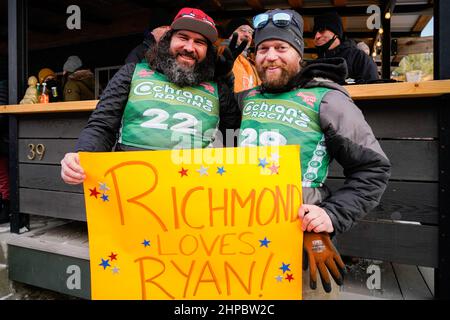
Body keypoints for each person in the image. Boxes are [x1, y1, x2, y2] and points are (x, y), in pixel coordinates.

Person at [234, 9, 391, 298]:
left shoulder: (327, 98)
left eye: (281, 48)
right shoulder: (247, 98)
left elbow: (372, 169)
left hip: (301, 241)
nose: (270, 56)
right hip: (242, 238)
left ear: (298, 54)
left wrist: (332, 213)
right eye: (263, 49)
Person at [61, 7, 243, 185]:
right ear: (167, 40)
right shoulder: (132, 72)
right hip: (132, 185)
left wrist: (224, 76)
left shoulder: (218, 88)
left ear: (208, 52)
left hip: (193, 190)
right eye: (183, 37)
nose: (189, 47)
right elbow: (103, 125)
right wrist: (81, 155)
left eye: (199, 42)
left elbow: (232, 136)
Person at [313, 12, 379, 83]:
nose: (316, 36)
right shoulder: (314, 65)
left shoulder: (359, 58)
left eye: (322, 30)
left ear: (336, 32)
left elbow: (374, 89)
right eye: (314, 33)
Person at [220, 18, 261, 92]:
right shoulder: (220, 54)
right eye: (242, 30)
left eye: (250, 32)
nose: (247, 35)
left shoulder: (251, 61)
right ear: (230, 34)